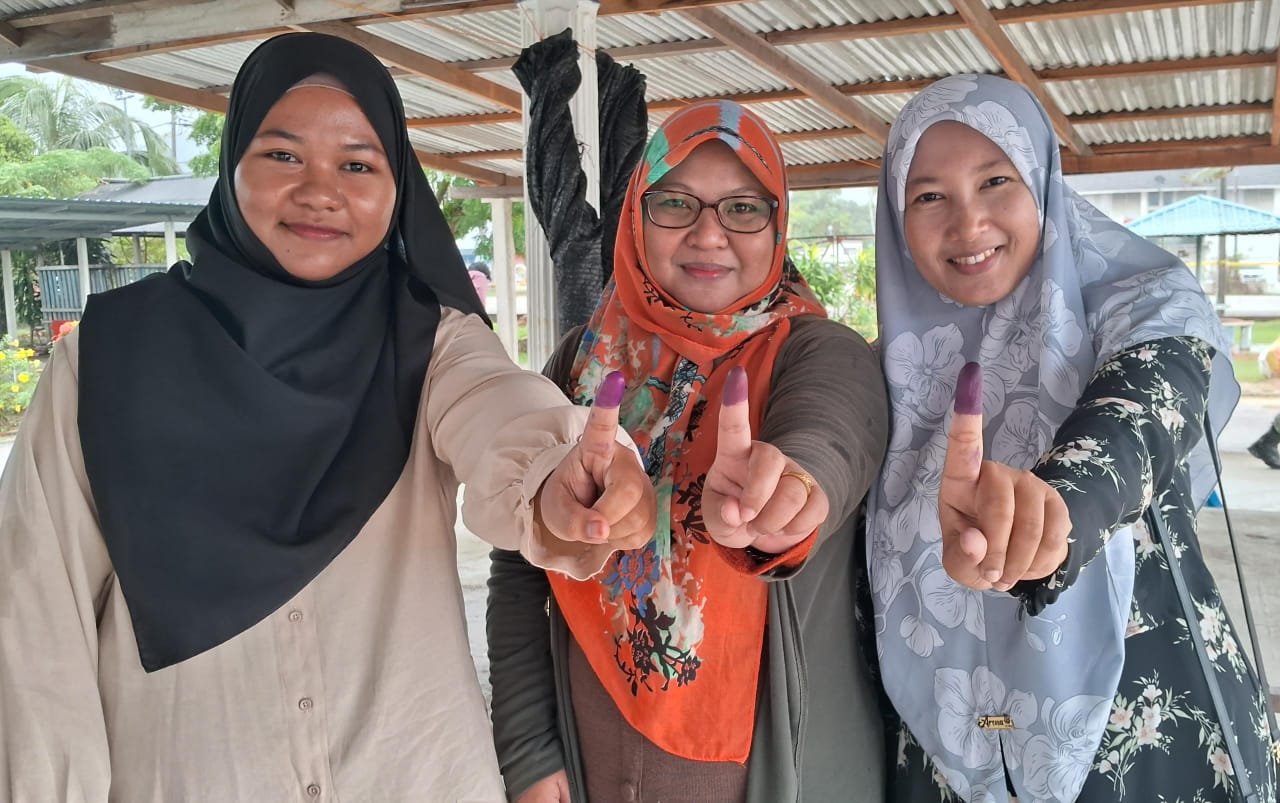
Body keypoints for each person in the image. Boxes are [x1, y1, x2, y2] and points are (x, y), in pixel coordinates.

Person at [0, 33, 657, 802]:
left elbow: (498, 405)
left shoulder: (430, 342)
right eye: (282, 155)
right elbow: (37, 629)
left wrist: (558, 471)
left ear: (398, 185)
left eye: (358, 164)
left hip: (413, 775)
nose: (320, 191)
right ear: (232, 163)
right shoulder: (106, 361)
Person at [869, 73, 1277, 802]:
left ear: (1042, 181)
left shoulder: (1142, 303)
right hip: (943, 742)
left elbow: (1147, 406)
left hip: (1141, 726)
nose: (968, 223)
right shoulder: (893, 369)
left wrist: (1057, 505)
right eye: (928, 196)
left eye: (996, 180)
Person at [487, 100, 889, 803]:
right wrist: (526, 749)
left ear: (778, 225)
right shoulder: (581, 362)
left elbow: (830, 434)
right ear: (636, 217)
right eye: (675, 202)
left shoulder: (819, 352)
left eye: (743, 208)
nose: (709, 234)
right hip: (587, 761)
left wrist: (787, 495)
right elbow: (520, 564)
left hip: (766, 771)